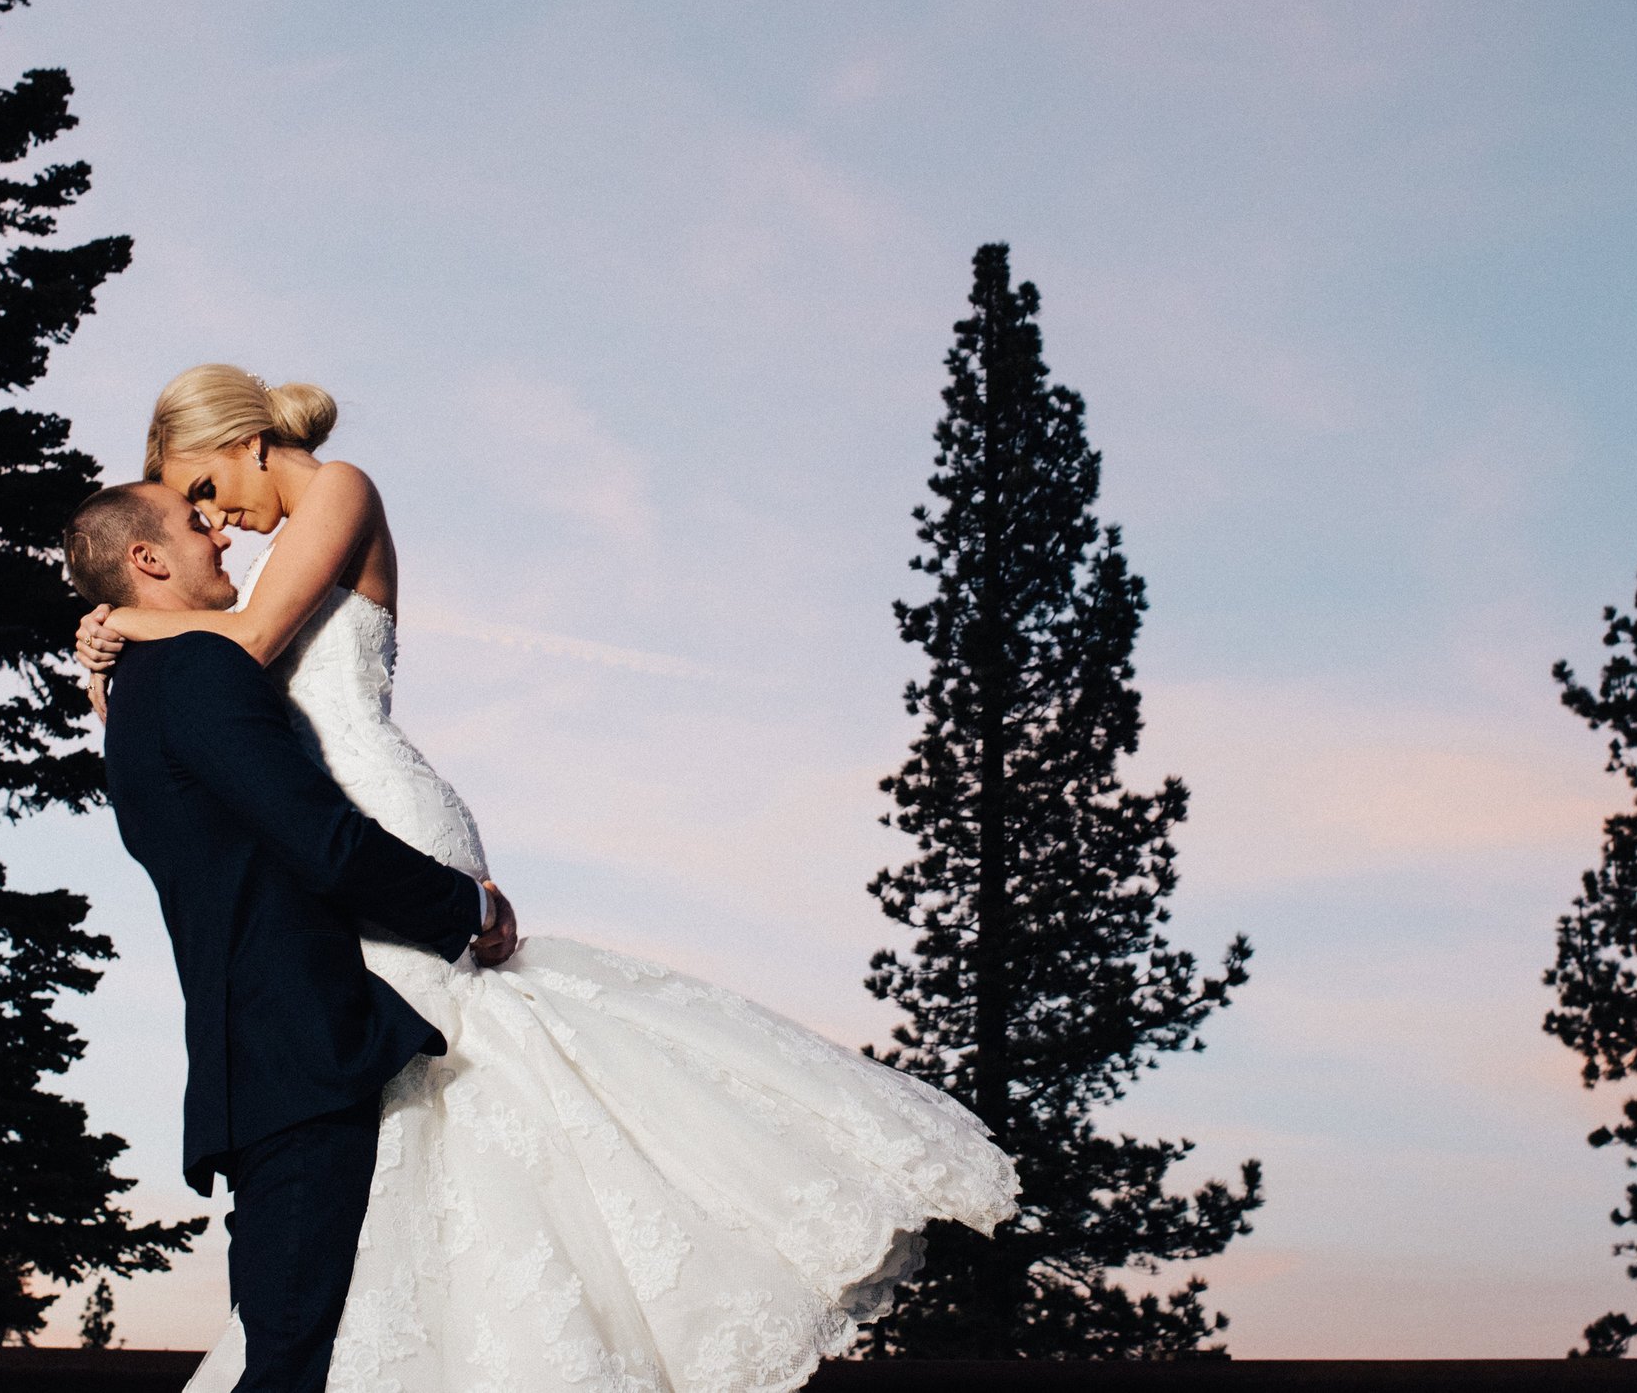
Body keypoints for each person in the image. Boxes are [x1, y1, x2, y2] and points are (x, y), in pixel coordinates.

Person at [73, 365, 1016, 1393]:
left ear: (247, 442)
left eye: (204, 487)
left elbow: (247, 650)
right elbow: (207, 739)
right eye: (191, 512)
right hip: (332, 848)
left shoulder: (337, 487)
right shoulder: (222, 594)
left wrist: (130, 624)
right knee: (397, 1102)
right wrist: (108, 659)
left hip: (380, 822)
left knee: (464, 1064)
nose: (214, 518)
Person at [62, 480, 520, 1393]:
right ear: (148, 560)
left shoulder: (135, 702)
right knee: (291, 1367)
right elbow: (322, 838)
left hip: (255, 1064)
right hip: (302, 1053)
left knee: (293, 1349)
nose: (223, 540)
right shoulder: (198, 668)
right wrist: (470, 909)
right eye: (197, 527)